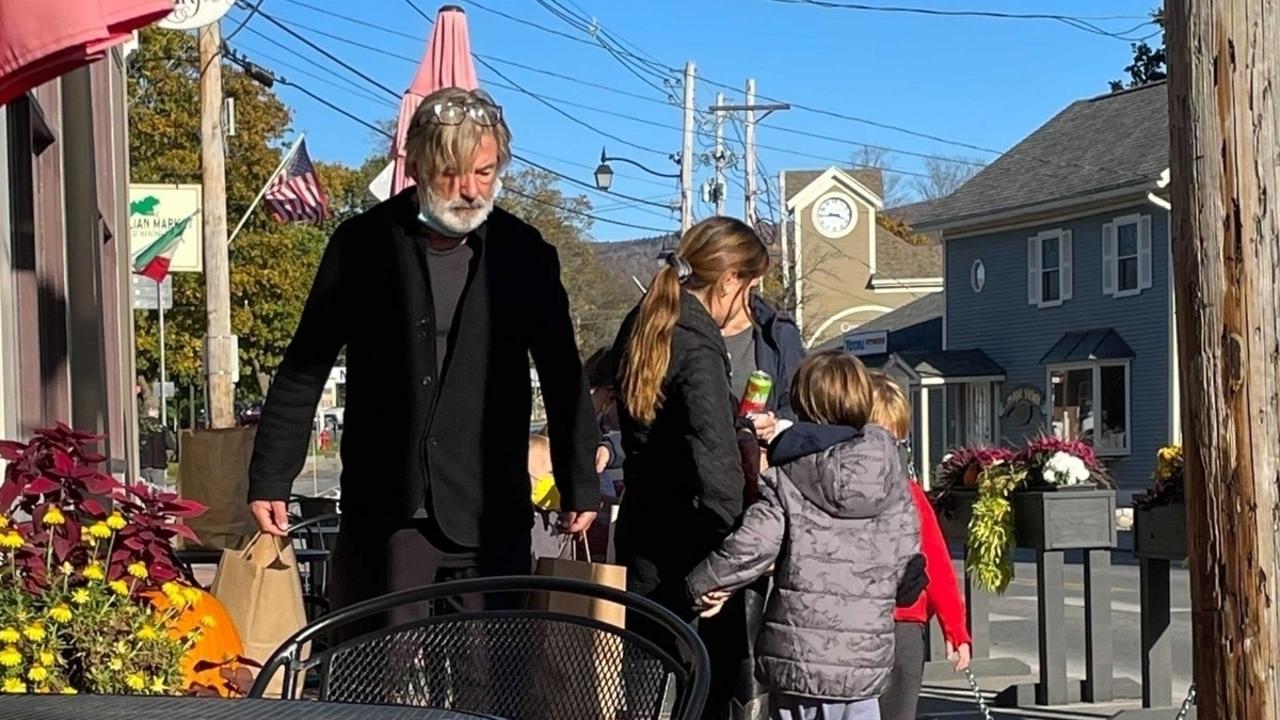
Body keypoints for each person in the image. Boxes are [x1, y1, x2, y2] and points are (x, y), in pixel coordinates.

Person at [246, 87, 600, 618]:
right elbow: (306, 364)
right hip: (385, 510)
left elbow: (561, 371)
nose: (469, 190)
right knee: (374, 684)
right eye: (452, 174)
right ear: (416, 166)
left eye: (484, 173)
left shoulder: (524, 252)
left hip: (489, 511)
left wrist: (580, 481)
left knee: (489, 688)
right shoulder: (361, 244)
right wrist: (271, 475)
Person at [687, 351, 921, 720]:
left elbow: (753, 544)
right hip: (864, 661)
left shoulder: (791, 473)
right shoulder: (891, 478)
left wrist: (698, 584)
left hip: (800, 656)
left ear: (803, 401)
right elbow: (909, 572)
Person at [611, 216, 770, 720]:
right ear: (728, 280)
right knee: (702, 691)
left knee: (644, 684)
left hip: (643, 533)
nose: (747, 304)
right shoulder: (698, 346)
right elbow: (712, 458)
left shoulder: (644, 321)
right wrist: (733, 550)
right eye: (748, 288)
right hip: (695, 544)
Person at [714, 280, 806, 720]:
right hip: (699, 490)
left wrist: (779, 425)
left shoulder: (776, 332)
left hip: (761, 487)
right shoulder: (684, 326)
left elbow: (804, 407)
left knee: (752, 636)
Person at [869, 373, 972, 720]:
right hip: (878, 625)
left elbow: (936, 563)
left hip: (904, 626)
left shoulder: (910, 494)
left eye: (895, 442)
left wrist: (955, 627)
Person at [138, 407, 174, 488]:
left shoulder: (140, 428)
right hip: (159, 464)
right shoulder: (162, 428)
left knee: (145, 490)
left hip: (143, 464)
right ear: (151, 409)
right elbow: (171, 445)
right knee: (158, 491)